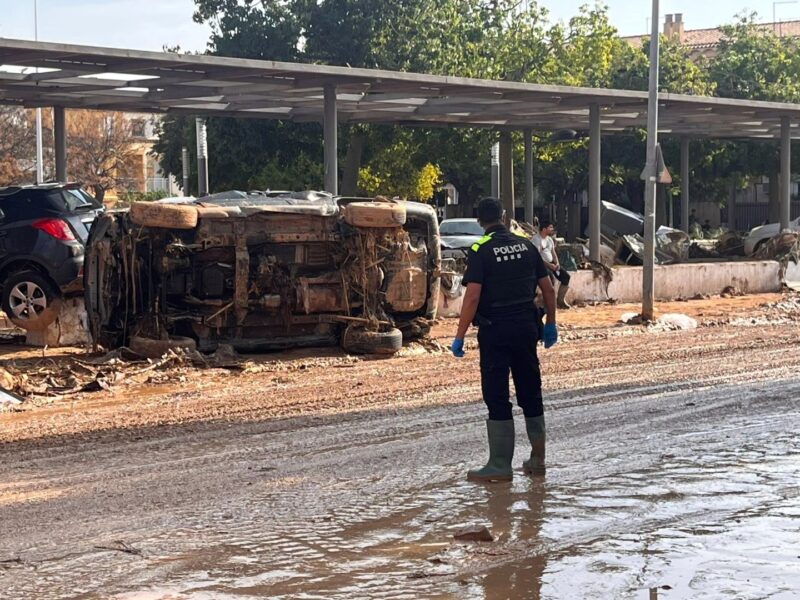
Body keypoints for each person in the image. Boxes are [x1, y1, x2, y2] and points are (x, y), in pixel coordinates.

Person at [450, 197, 558, 482]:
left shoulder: (480, 250)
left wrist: (459, 335)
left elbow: (472, 296)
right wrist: (551, 325)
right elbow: (548, 290)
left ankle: (499, 465)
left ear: (479, 221)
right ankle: (537, 461)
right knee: (531, 391)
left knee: (497, 395)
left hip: (496, 331)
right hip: (526, 328)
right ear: (505, 217)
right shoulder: (527, 246)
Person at [532, 220, 571, 310]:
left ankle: (560, 300)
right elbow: (537, 257)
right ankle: (547, 304)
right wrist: (549, 266)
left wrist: (557, 263)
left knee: (566, 277)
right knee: (550, 281)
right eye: (550, 227)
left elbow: (553, 253)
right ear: (544, 229)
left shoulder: (549, 239)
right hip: (541, 265)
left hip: (551, 264)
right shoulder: (536, 240)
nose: (552, 229)